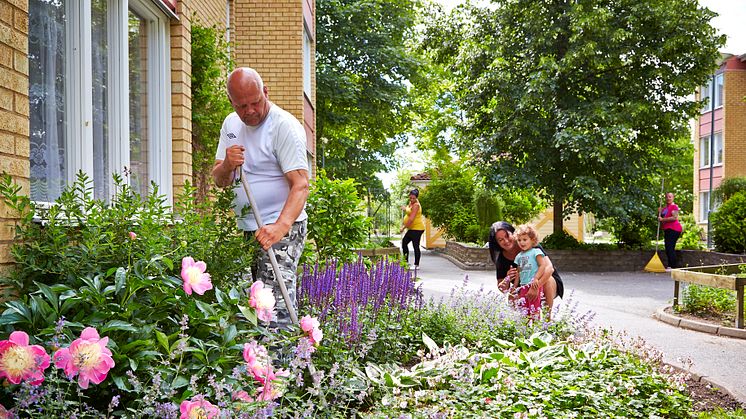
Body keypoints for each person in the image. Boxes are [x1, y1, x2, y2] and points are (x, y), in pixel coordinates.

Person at [212, 67, 309, 328]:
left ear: (266, 92)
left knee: (275, 304)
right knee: (255, 304)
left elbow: (300, 184)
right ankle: (262, 364)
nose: (249, 111)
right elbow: (219, 181)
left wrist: (280, 227)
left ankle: (283, 368)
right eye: (241, 106)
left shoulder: (284, 127)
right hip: (249, 228)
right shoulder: (231, 125)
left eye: (255, 102)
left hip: (282, 227)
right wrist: (227, 166)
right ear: (232, 103)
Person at [488, 221, 564, 314]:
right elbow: (503, 289)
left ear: (513, 234)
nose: (506, 241)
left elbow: (549, 268)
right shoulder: (501, 259)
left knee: (547, 279)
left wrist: (535, 287)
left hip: (544, 283)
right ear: (497, 243)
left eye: (507, 236)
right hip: (523, 287)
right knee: (512, 296)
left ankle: (547, 320)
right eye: (500, 240)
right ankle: (523, 324)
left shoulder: (531, 245)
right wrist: (507, 279)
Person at [512, 224, 550, 318]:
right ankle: (525, 330)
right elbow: (518, 271)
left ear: (532, 240)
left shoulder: (536, 252)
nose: (522, 242)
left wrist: (536, 278)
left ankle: (536, 329)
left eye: (525, 239)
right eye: (519, 240)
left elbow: (543, 265)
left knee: (534, 309)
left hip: (534, 284)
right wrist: (515, 286)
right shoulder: (519, 256)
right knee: (523, 310)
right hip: (523, 286)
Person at [400, 189, 425, 269]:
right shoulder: (411, 203)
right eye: (410, 198)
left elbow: (411, 219)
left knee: (415, 246)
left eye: (413, 198)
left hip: (417, 228)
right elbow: (408, 212)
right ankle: (406, 262)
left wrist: (403, 227)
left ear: (416, 198)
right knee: (404, 242)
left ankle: (416, 265)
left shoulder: (416, 205)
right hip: (412, 228)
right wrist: (405, 208)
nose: (412, 199)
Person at [659, 192, 682, 270]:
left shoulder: (674, 206)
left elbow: (674, 217)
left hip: (674, 229)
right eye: (667, 197)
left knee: (670, 247)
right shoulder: (664, 208)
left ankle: (673, 266)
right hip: (667, 229)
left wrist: (663, 219)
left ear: (673, 198)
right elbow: (661, 219)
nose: (668, 198)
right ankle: (670, 265)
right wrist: (659, 212)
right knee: (667, 247)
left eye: (670, 197)